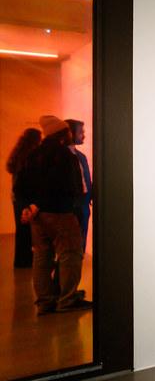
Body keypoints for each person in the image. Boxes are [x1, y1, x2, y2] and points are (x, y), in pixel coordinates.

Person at [15, 116, 90, 313]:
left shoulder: (33, 154)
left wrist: (28, 206)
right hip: (60, 213)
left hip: (37, 216)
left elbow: (20, 186)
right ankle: (67, 299)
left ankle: (45, 301)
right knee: (71, 254)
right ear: (63, 134)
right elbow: (66, 186)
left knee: (41, 257)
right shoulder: (64, 155)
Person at [6, 127, 42, 268]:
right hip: (26, 196)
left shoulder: (19, 154)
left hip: (17, 196)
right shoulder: (31, 156)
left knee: (22, 229)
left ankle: (21, 260)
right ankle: (25, 261)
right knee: (27, 229)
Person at [65, 119, 92, 250]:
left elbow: (85, 179)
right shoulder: (61, 156)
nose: (84, 135)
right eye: (81, 132)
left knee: (81, 242)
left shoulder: (81, 156)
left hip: (84, 203)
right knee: (70, 246)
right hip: (70, 205)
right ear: (70, 133)